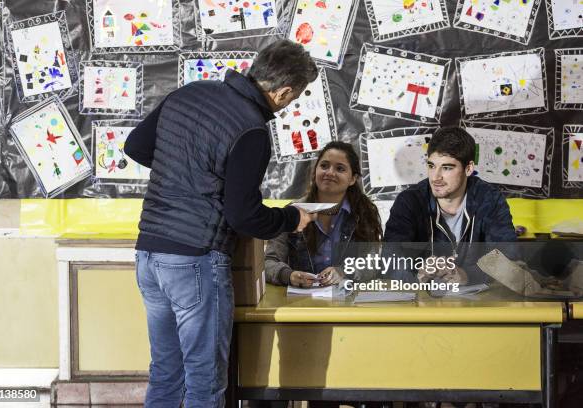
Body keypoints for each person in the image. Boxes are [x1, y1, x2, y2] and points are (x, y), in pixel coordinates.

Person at [123, 39, 318, 408]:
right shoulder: (252, 129)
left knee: (165, 371)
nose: (291, 104)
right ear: (284, 91)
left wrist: (183, 172)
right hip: (195, 259)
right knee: (205, 381)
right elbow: (243, 214)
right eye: (295, 97)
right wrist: (291, 218)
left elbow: (136, 146)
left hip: (149, 253)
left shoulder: (190, 92)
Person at [261, 141, 385, 408]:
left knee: (351, 383)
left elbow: (375, 263)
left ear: (352, 179)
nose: (329, 172)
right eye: (324, 165)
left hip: (348, 316)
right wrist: (289, 275)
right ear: (314, 171)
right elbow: (269, 261)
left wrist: (345, 271)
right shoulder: (292, 213)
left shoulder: (365, 214)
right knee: (289, 386)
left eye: (340, 168)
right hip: (299, 313)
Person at [384, 126, 517, 287]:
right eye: (431, 166)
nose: (435, 177)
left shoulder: (490, 199)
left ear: (468, 169)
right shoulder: (409, 201)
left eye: (446, 168)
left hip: (477, 304)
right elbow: (389, 258)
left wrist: (467, 275)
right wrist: (416, 273)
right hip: (424, 303)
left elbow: (509, 258)